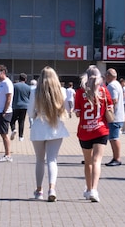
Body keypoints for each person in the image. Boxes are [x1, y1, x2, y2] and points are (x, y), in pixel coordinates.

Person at [29, 66, 70, 202]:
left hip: (39, 127)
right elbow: (67, 110)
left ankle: (39, 190)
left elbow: (30, 112)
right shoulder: (62, 91)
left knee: (40, 160)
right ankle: (52, 188)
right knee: (52, 159)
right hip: (56, 127)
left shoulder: (35, 91)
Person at [75, 65, 113, 202]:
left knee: (88, 162)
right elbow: (110, 108)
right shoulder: (103, 91)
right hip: (101, 129)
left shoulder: (80, 92)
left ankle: (88, 187)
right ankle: (94, 190)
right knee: (97, 160)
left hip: (85, 130)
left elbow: (78, 113)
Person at [105, 68, 125, 166]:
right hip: (118, 115)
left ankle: (117, 158)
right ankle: (116, 157)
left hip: (114, 116)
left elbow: (114, 100)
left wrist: (109, 111)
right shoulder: (118, 84)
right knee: (113, 137)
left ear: (109, 76)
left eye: (106, 76)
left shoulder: (112, 86)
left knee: (114, 138)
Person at [0, 65, 14, 161]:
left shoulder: (7, 83)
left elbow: (9, 98)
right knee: (2, 134)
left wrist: (4, 111)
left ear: (3, 72)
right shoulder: (0, 83)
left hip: (4, 112)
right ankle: (7, 154)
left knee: (4, 134)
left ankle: (8, 155)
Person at [11, 72, 32, 142]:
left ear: (19, 78)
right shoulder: (28, 87)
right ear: (25, 79)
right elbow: (30, 97)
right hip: (25, 105)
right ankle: (21, 136)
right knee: (22, 121)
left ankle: (13, 129)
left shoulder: (14, 86)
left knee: (12, 120)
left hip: (16, 105)